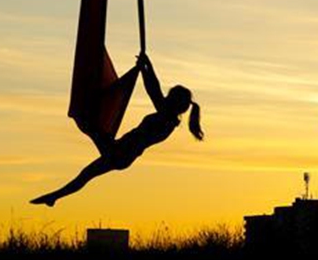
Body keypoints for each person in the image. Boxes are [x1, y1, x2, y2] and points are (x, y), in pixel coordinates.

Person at [31, 55, 203, 207]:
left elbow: (154, 91)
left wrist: (146, 68)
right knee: (86, 173)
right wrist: (146, 67)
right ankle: (54, 197)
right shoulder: (166, 116)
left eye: (169, 97)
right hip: (120, 151)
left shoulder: (166, 119)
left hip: (121, 153)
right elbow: (155, 91)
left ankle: (54, 196)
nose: (165, 98)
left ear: (174, 102)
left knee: (88, 126)